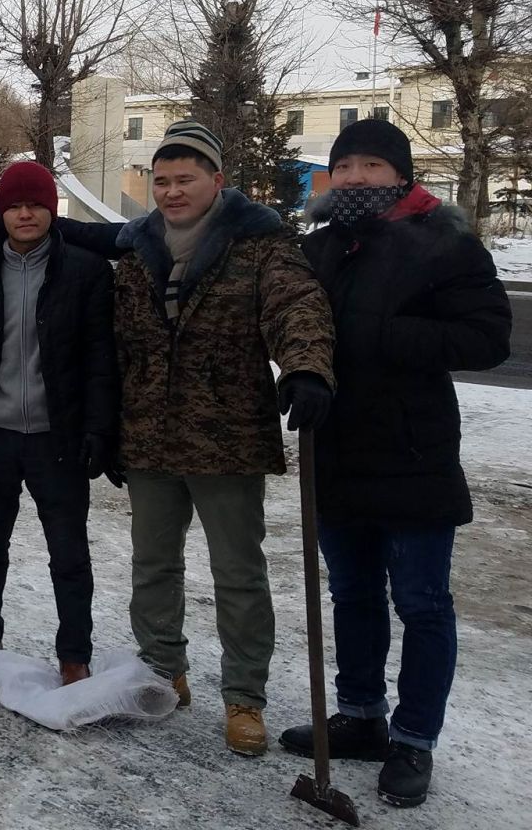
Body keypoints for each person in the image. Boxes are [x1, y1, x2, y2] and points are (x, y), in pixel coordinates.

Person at [279, 119, 510, 807]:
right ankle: (360, 716)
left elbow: (488, 336)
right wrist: (300, 371)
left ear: (400, 173)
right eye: (345, 165)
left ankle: (413, 738)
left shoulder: (446, 243)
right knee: (351, 593)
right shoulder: (319, 246)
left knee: (421, 602)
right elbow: (292, 323)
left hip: (413, 452)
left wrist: (387, 335)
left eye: (371, 165)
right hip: (336, 447)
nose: (355, 177)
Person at [107, 120, 335, 756]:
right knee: (153, 563)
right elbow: (114, 343)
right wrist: (105, 424)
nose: (172, 192)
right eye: (162, 181)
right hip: (148, 434)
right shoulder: (135, 251)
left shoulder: (259, 245)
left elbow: (297, 307)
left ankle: (244, 696)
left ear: (217, 180)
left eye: (186, 179)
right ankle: (162, 669)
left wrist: (306, 368)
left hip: (225, 438)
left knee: (237, 572)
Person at [0, 161, 119, 686]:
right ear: (2, 213)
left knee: (68, 553)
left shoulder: (85, 272)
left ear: (52, 209)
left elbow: (100, 359)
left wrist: (98, 429)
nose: (25, 214)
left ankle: (74, 654)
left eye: (35, 204)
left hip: (58, 438)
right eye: (14, 205)